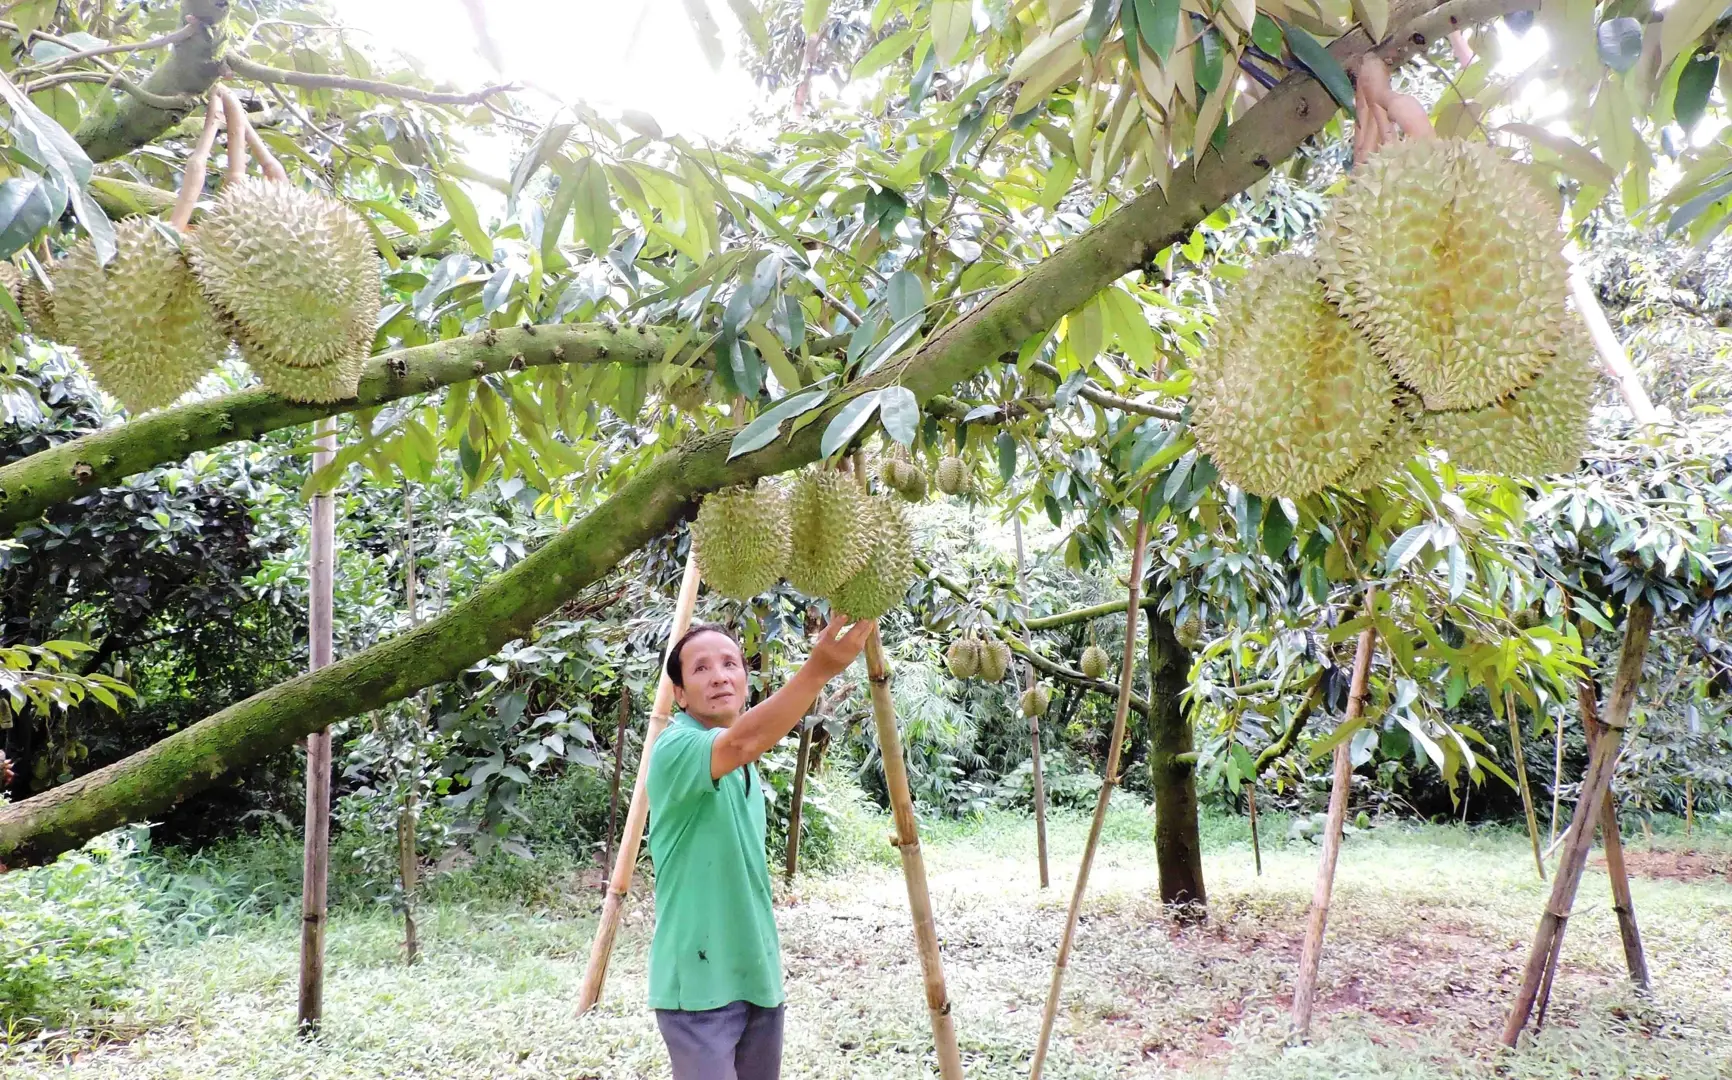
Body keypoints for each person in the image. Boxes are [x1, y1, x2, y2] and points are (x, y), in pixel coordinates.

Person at [646, 613, 876, 1080]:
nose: (719, 676)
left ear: (746, 681)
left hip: (757, 977)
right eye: (701, 668)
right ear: (681, 695)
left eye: (730, 663)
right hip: (697, 986)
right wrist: (819, 669)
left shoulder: (744, 766)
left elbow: (745, 741)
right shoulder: (676, 748)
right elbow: (743, 740)